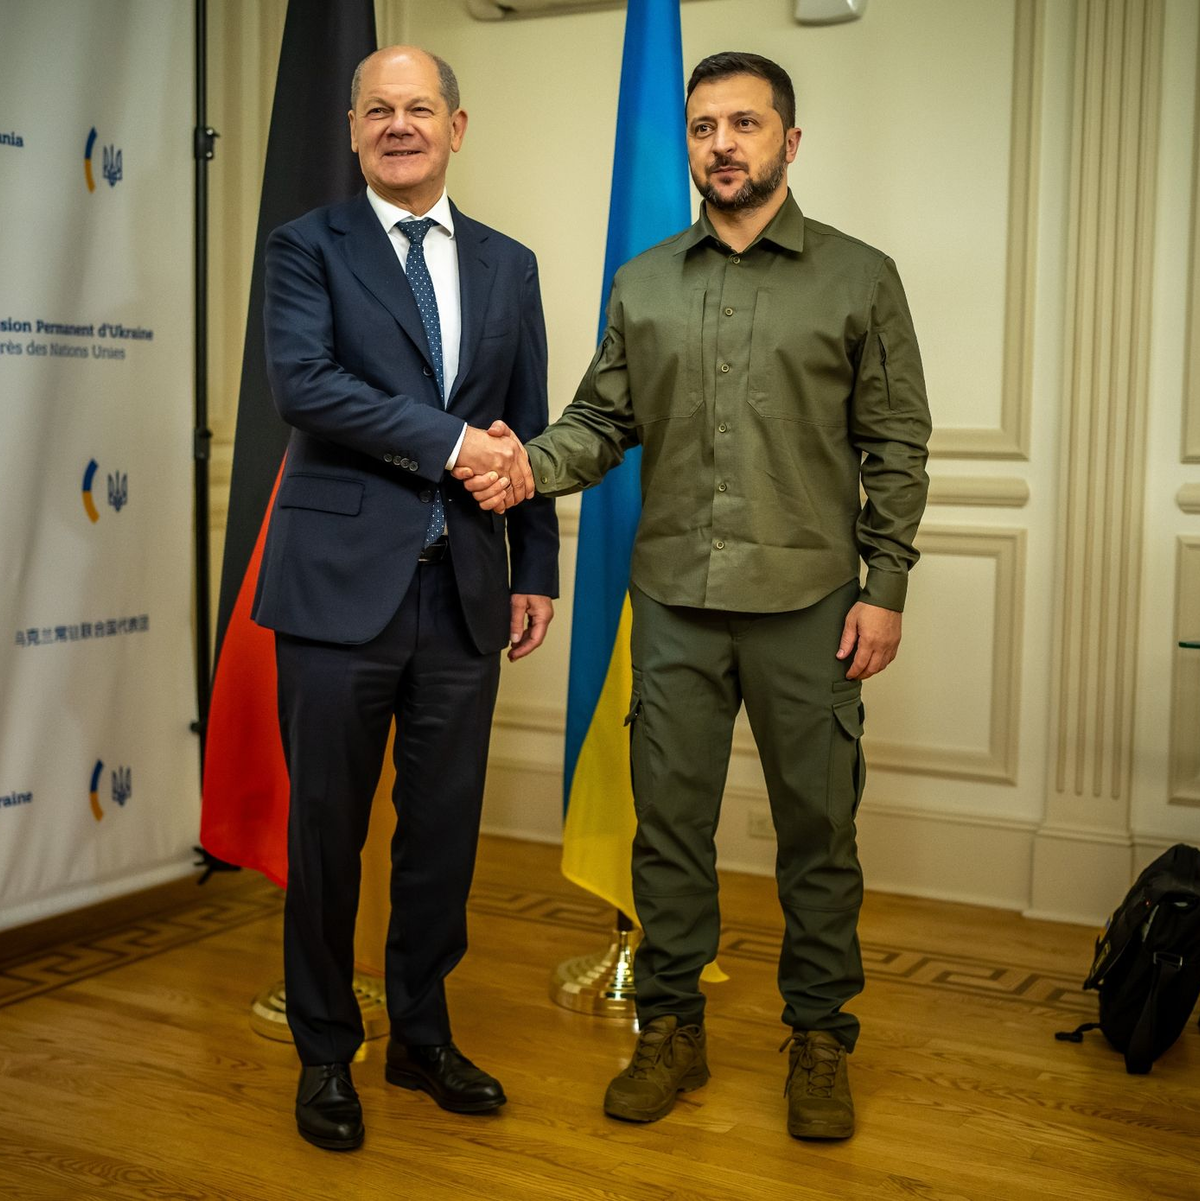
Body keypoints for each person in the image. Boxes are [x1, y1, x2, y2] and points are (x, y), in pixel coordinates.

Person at [458, 51, 930, 1141]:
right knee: (669, 831)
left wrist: (886, 585)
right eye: (706, 126)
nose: (723, 143)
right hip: (670, 598)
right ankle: (669, 1028)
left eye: (746, 125)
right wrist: (525, 464)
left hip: (813, 602)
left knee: (819, 831)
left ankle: (820, 1041)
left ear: (790, 144)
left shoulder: (860, 277)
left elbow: (896, 442)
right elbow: (599, 421)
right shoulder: (644, 280)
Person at [253, 45, 558, 1151]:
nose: (398, 125)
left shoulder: (509, 263)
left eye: (418, 107)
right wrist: (449, 442)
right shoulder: (304, 248)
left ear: (457, 127)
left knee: (442, 834)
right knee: (330, 832)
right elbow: (308, 386)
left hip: (467, 593)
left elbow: (522, 426)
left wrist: (535, 565)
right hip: (338, 595)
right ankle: (328, 1051)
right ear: (351, 129)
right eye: (377, 109)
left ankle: (424, 1034)